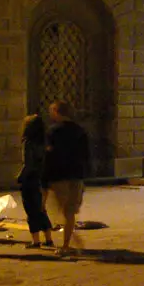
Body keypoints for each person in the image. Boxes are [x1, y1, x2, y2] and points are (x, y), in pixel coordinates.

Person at [42, 100, 92, 258]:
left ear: (57, 111)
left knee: (60, 211)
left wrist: (45, 178)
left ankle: (66, 243)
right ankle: (68, 241)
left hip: (59, 175)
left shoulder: (53, 131)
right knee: (70, 212)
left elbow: (49, 155)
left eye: (52, 111)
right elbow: (86, 154)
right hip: (76, 174)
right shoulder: (80, 130)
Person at [17, 113, 54, 249]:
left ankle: (36, 241)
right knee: (41, 208)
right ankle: (48, 238)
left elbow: (27, 163)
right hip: (42, 177)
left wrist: (20, 177)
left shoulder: (28, 142)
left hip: (30, 178)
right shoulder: (44, 142)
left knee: (31, 209)